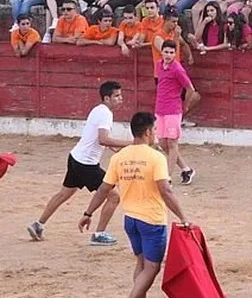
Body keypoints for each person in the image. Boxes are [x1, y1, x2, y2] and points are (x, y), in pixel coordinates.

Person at [79, 112, 189, 298]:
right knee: (152, 267)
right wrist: (183, 217)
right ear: (147, 132)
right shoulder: (156, 158)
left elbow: (104, 189)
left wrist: (88, 213)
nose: (155, 134)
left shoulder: (120, 157)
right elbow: (165, 191)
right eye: (154, 130)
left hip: (130, 220)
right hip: (152, 221)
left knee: (141, 263)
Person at [27, 81, 129, 245]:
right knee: (114, 196)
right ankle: (99, 234)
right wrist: (131, 143)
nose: (120, 99)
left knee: (64, 194)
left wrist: (113, 147)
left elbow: (97, 137)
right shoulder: (106, 114)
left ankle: (38, 224)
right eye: (117, 96)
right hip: (86, 164)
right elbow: (103, 139)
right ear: (107, 98)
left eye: (120, 95)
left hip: (76, 157)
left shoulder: (98, 110)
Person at [155, 40, 200, 185]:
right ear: (162, 52)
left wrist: (184, 105)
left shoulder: (177, 69)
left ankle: (167, 177)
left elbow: (190, 89)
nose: (168, 55)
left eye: (171, 52)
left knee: (172, 143)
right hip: (160, 109)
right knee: (162, 143)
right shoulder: (159, 65)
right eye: (166, 52)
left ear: (175, 53)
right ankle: (186, 169)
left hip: (173, 109)